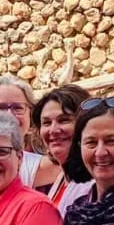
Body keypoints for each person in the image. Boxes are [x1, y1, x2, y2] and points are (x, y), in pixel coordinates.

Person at [30, 85, 94, 213]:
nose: (53, 130)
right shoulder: (61, 181)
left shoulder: (95, 183)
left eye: (64, 120)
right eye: (47, 123)